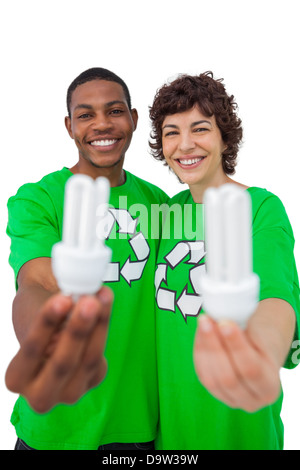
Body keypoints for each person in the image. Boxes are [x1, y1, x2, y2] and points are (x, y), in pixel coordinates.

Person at [5, 67, 168, 450]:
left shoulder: (160, 203)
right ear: (69, 125)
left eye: (114, 111)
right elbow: (37, 282)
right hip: (55, 427)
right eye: (85, 115)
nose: (101, 124)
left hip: (138, 424)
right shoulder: (39, 198)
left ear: (133, 118)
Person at [149, 72, 300, 450]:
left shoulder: (261, 209)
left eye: (200, 129)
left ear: (223, 136)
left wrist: (263, 350)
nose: (185, 145)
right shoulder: (164, 214)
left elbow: (276, 295)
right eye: (171, 133)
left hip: (239, 430)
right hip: (171, 434)